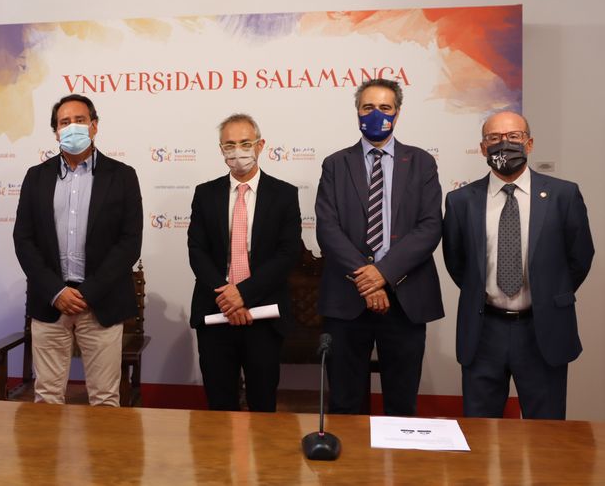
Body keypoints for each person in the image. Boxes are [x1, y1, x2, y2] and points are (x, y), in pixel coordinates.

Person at [443, 111, 594, 419]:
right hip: (484, 331)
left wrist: (549, 292)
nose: (504, 144)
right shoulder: (460, 200)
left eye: (513, 137)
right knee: (479, 431)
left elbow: (579, 258)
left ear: (529, 143)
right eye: (494, 138)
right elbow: (457, 262)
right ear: (483, 148)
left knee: (547, 433)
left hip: (542, 329)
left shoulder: (563, 195)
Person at [315, 79, 443, 416]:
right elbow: (328, 229)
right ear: (357, 111)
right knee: (345, 403)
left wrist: (383, 274)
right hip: (347, 300)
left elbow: (430, 227)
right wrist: (367, 280)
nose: (376, 114)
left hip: (405, 299)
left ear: (397, 114)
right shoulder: (335, 164)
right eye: (368, 107)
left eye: (385, 108)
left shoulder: (421, 163)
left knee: (401, 403)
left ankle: (398, 454)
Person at [13, 94, 143, 406]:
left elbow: (129, 242)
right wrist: (56, 291)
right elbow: (24, 240)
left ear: (94, 126)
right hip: (50, 303)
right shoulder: (36, 177)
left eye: (80, 120)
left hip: (101, 304)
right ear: (56, 132)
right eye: (64, 122)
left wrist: (89, 292)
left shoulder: (122, 176)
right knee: (46, 397)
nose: (72, 127)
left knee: (105, 398)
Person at [187, 113, 302, 412]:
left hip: (263, 315)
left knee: (262, 406)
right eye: (229, 145)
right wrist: (228, 295)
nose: (237, 151)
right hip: (215, 311)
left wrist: (244, 294)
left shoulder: (284, 194)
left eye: (245, 143)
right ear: (221, 150)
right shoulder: (205, 193)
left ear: (260, 146)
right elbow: (197, 250)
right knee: (219, 406)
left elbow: (287, 253)